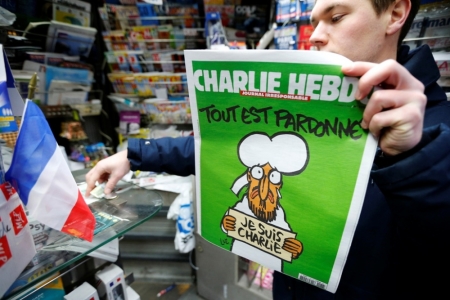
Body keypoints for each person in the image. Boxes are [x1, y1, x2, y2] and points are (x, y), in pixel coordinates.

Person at [86, 0, 450, 298]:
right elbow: (225, 146)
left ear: (396, 13)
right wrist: (135, 154)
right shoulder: (311, 102)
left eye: (336, 17)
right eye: (314, 22)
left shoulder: (437, 130)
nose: (317, 37)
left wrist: (412, 156)